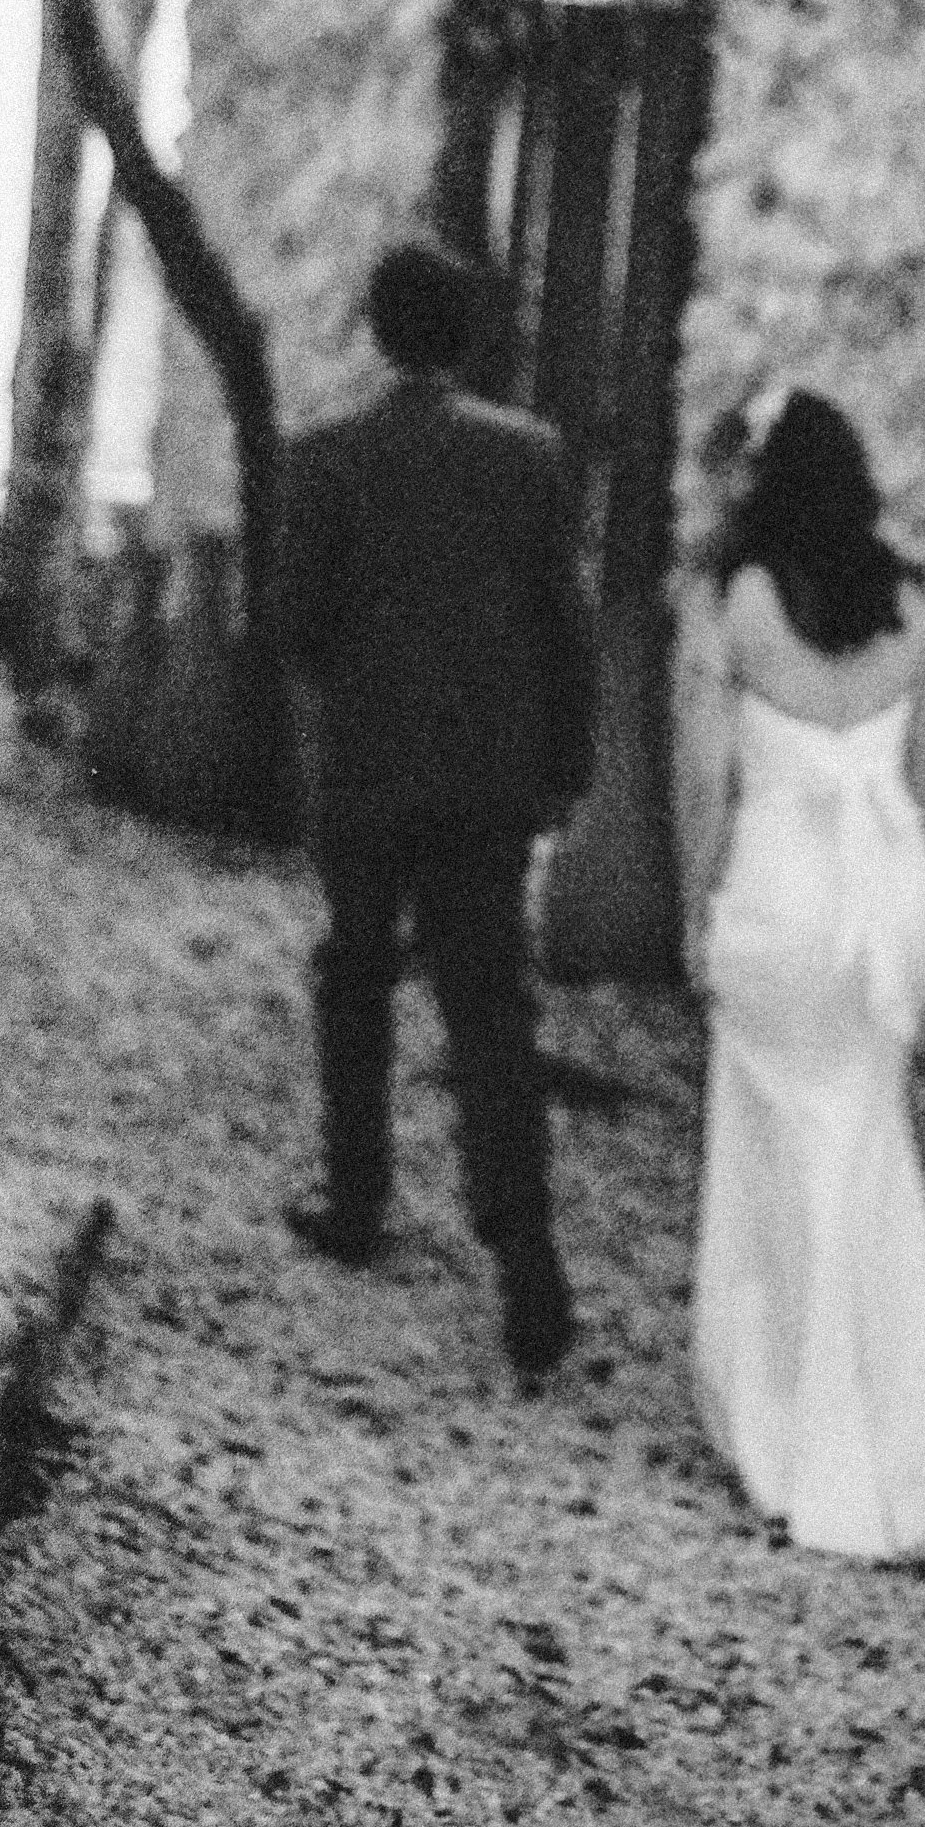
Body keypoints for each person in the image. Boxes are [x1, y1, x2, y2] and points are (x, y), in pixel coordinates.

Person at [676, 387, 925, 1557]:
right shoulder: (911, 601)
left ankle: (787, 1435)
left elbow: (705, 781)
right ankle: (909, 1454)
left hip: (780, 894)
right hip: (887, 899)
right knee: (863, 1150)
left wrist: (691, 910)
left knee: (776, 1152)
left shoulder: (732, 598)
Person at [279, 238, 598, 1387]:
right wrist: (565, 762)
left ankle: (357, 1197)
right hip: (484, 783)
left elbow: (298, 627)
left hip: (367, 774)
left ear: (376, 331)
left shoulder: (325, 458)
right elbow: (566, 627)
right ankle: (526, 1262)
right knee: (490, 1009)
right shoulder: (529, 459)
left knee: (357, 972)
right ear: (466, 338)